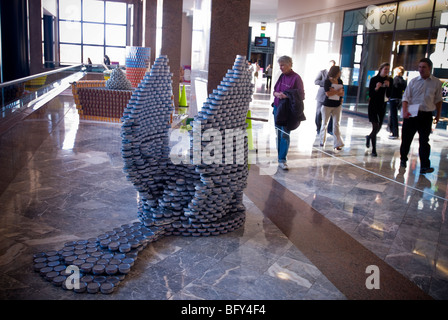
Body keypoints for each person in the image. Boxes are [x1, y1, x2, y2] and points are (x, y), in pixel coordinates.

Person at [400, 58, 442, 174]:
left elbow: (438, 101)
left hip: (426, 115)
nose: (421, 69)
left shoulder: (436, 83)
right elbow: (406, 98)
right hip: (412, 115)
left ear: (429, 68)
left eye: (424, 67)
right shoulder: (413, 81)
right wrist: (404, 111)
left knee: (424, 141)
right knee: (406, 139)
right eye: (419, 67)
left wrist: (437, 116)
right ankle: (403, 159)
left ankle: (424, 166)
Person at [272, 55, 305, 170]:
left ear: (290, 65)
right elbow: (274, 91)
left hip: (287, 111)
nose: (280, 67)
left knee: (285, 134)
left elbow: (301, 95)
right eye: (279, 65)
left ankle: (282, 160)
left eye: (283, 65)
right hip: (277, 108)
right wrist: (277, 94)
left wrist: (286, 95)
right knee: (278, 134)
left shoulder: (296, 78)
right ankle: (279, 157)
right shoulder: (281, 76)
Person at [366, 62, 392, 157]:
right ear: (380, 69)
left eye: (388, 70)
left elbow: (389, 95)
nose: (386, 71)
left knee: (379, 128)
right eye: (385, 69)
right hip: (373, 106)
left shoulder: (390, 80)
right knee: (375, 126)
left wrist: (388, 86)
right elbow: (371, 95)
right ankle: (374, 150)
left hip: (382, 106)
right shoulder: (374, 79)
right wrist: (377, 88)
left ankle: (369, 137)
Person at [319, 65, 345, 151]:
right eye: (339, 71)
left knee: (336, 124)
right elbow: (328, 94)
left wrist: (335, 91)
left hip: (337, 105)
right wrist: (338, 92)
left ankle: (337, 143)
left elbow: (342, 94)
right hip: (327, 105)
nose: (340, 73)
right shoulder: (327, 81)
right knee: (324, 124)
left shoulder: (340, 81)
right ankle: (322, 141)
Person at [315, 60, 335, 135]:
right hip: (321, 95)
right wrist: (327, 84)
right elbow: (316, 81)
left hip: (331, 95)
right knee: (318, 113)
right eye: (330, 65)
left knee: (331, 113)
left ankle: (329, 129)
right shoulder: (322, 72)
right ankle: (318, 128)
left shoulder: (334, 75)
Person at [388, 66, 407, 139]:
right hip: (400, 99)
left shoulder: (393, 80)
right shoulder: (403, 81)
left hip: (393, 99)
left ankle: (394, 133)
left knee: (393, 116)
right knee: (394, 116)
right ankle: (393, 131)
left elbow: (390, 90)